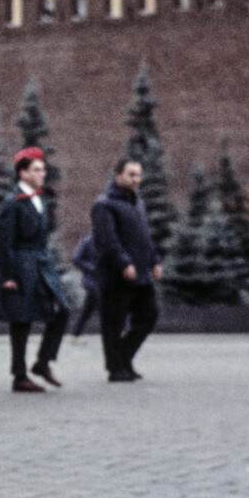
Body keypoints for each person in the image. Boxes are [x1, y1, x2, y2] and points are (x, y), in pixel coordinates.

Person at [0, 148, 70, 392]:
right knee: (22, 320)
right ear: (22, 173)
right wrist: (6, 275)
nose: (43, 173)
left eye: (43, 169)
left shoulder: (40, 199)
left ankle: (42, 362)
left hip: (41, 262)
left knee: (63, 310)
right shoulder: (12, 203)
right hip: (21, 264)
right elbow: (4, 242)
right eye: (37, 170)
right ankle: (19, 376)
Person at [91, 157, 162, 382]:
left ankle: (123, 356)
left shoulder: (137, 203)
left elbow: (144, 238)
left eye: (138, 175)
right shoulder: (104, 205)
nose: (136, 180)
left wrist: (155, 261)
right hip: (116, 275)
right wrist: (124, 263)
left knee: (149, 315)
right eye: (131, 175)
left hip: (140, 273)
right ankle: (116, 368)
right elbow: (107, 240)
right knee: (114, 323)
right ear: (117, 176)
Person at [69, 235, 102, 339]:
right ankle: (114, 333)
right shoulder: (88, 241)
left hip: (105, 280)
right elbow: (76, 258)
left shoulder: (109, 241)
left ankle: (75, 333)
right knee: (103, 306)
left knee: (89, 308)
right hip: (92, 281)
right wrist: (91, 268)